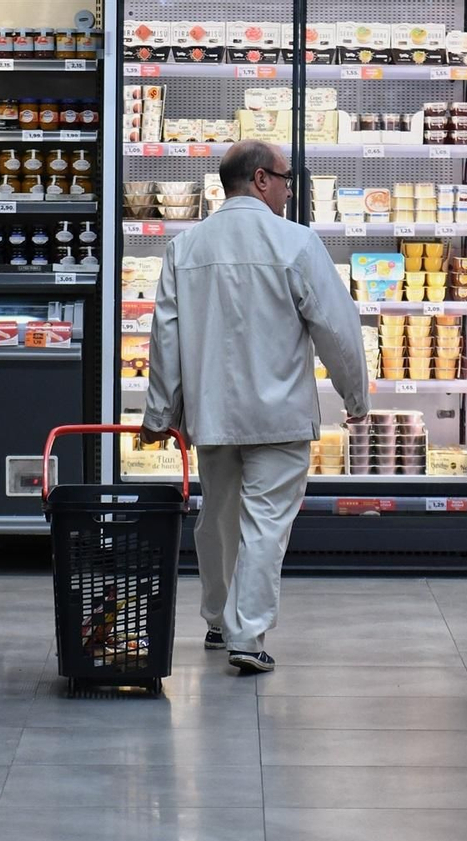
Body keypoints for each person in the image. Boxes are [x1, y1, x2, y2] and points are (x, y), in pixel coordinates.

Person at [140, 139, 369, 674]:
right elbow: (337, 328)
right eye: (288, 179)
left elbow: (165, 339)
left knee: (217, 518)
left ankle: (219, 621)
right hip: (279, 415)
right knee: (265, 525)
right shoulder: (297, 243)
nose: (291, 190)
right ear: (262, 179)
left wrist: (159, 416)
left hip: (212, 414)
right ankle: (247, 636)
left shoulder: (186, 247)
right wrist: (354, 395)